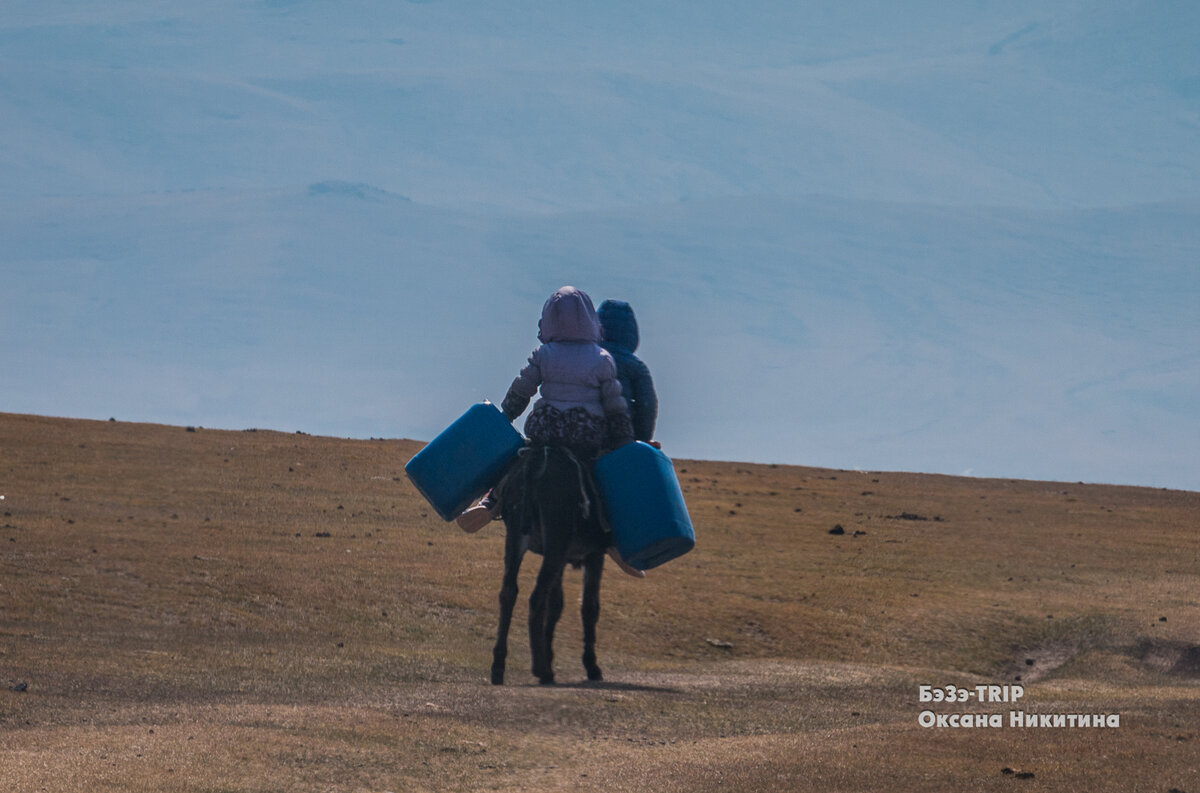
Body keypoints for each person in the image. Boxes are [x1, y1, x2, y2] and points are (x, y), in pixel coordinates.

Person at [455, 286, 644, 577]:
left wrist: (506, 415)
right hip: (586, 436)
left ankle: (491, 503)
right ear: (590, 320)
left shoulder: (544, 353)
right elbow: (615, 403)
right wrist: (623, 440)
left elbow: (523, 388)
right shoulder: (602, 358)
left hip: (546, 429)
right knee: (603, 481)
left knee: (517, 463)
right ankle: (612, 540)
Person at [597, 299, 658, 445]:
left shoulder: (585, 357)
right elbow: (646, 405)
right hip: (620, 437)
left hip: (582, 431)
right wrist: (641, 439)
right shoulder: (636, 366)